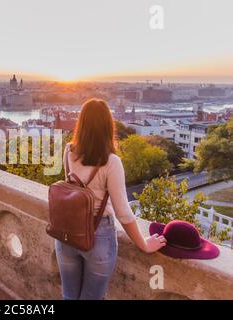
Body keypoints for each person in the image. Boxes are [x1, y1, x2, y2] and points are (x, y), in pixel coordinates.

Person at [55, 98, 166, 300]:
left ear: (82, 124)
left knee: (69, 296)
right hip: (99, 237)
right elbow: (123, 213)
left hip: (66, 233)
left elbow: (71, 190)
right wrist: (143, 244)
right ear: (108, 127)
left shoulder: (69, 150)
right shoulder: (111, 162)